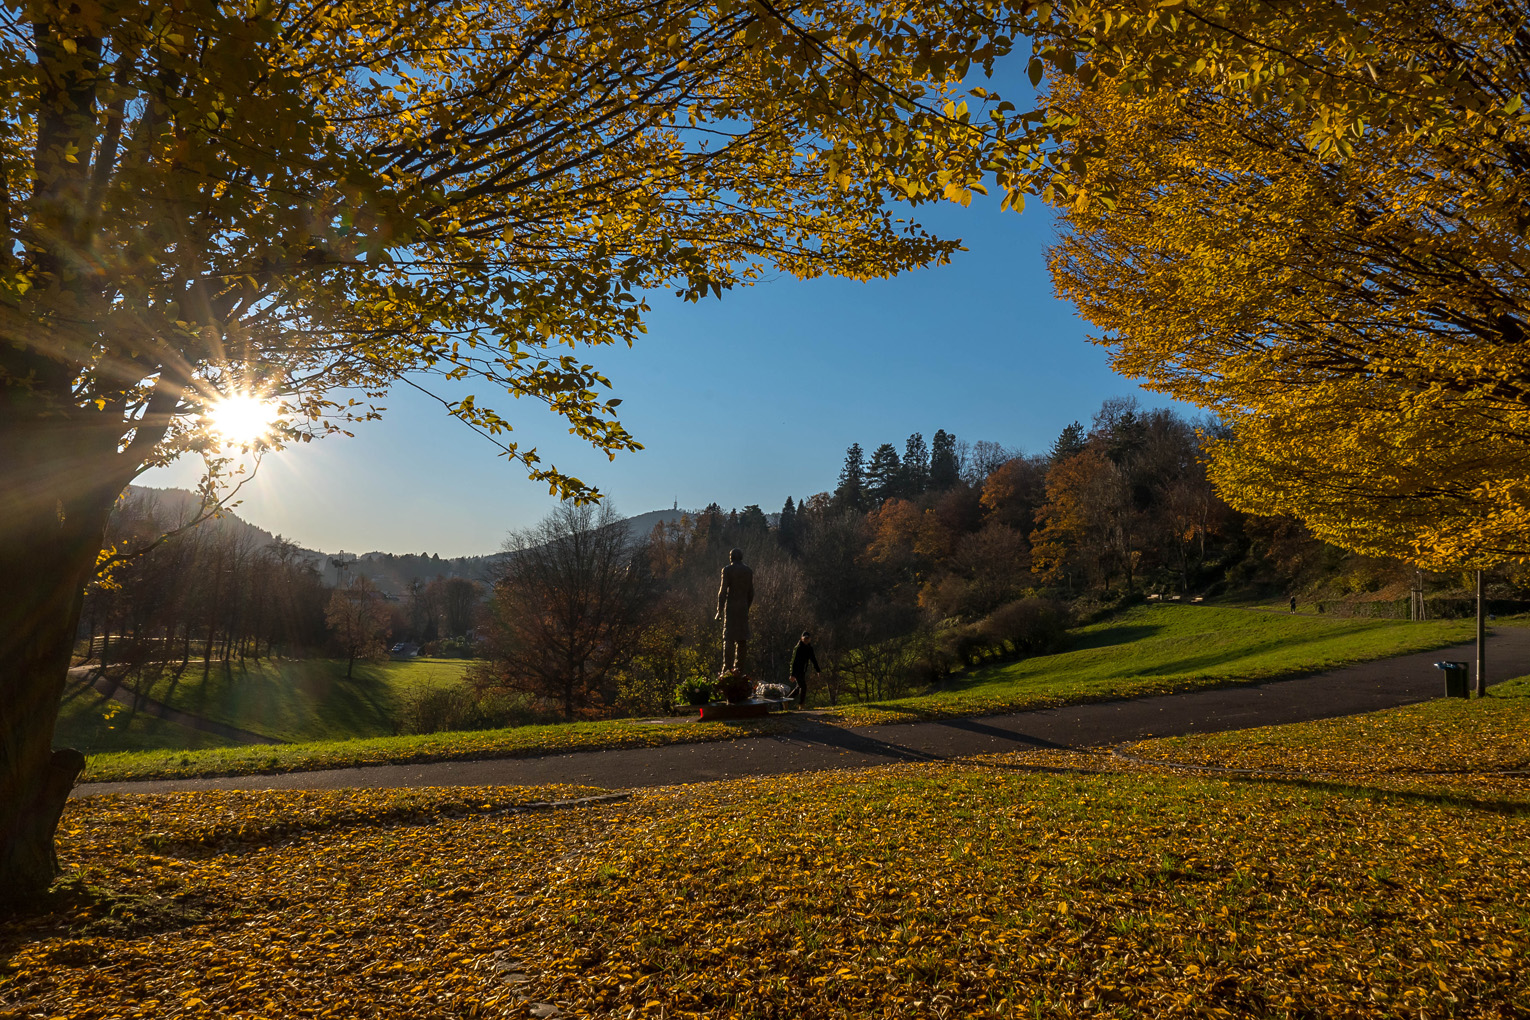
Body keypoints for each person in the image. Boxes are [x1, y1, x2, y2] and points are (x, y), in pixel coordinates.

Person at [715, 547, 754, 673]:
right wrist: (746, 606)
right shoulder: (748, 571)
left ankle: (727, 670)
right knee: (742, 639)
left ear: (731, 557)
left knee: (729, 638)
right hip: (743, 607)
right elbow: (751, 592)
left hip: (731, 607)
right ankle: (740, 670)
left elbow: (722, 591)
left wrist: (719, 611)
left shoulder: (727, 570)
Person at [789, 631, 820, 709]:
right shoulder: (798, 648)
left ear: (810, 639)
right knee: (803, 687)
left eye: (807, 638)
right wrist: (792, 674)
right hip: (797, 670)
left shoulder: (809, 648)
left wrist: (818, 670)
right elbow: (793, 661)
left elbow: (813, 659)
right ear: (802, 638)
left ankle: (786, 701)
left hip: (803, 670)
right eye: (805, 638)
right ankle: (801, 704)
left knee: (799, 687)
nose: (806, 640)